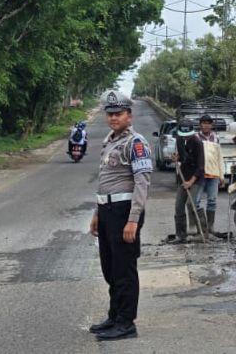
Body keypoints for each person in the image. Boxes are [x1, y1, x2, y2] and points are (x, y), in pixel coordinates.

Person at [89, 90, 152, 340]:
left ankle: (126, 324)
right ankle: (114, 316)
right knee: (110, 268)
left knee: (124, 270)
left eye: (119, 114)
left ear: (129, 115)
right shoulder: (110, 141)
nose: (114, 118)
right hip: (107, 211)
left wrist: (133, 220)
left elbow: (142, 183)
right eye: (110, 114)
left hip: (124, 212)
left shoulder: (136, 143)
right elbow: (105, 182)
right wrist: (97, 213)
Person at [169, 119, 205, 243]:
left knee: (191, 204)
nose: (185, 138)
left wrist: (191, 182)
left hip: (196, 177)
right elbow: (182, 157)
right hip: (183, 176)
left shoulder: (198, 143)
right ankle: (181, 235)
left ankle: (202, 232)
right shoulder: (179, 139)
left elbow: (201, 167)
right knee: (179, 206)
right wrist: (177, 158)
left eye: (187, 135)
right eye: (183, 135)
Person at [194, 114, 224, 235]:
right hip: (199, 175)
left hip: (213, 175)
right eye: (204, 123)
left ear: (211, 125)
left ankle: (210, 228)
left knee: (212, 201)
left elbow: (219, 158)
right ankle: (202, 228)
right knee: (195, 202)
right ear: (200, 125)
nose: (206, 125)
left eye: (208, 123)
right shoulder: (195, 138)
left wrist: (221, 176)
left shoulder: (215, 138)